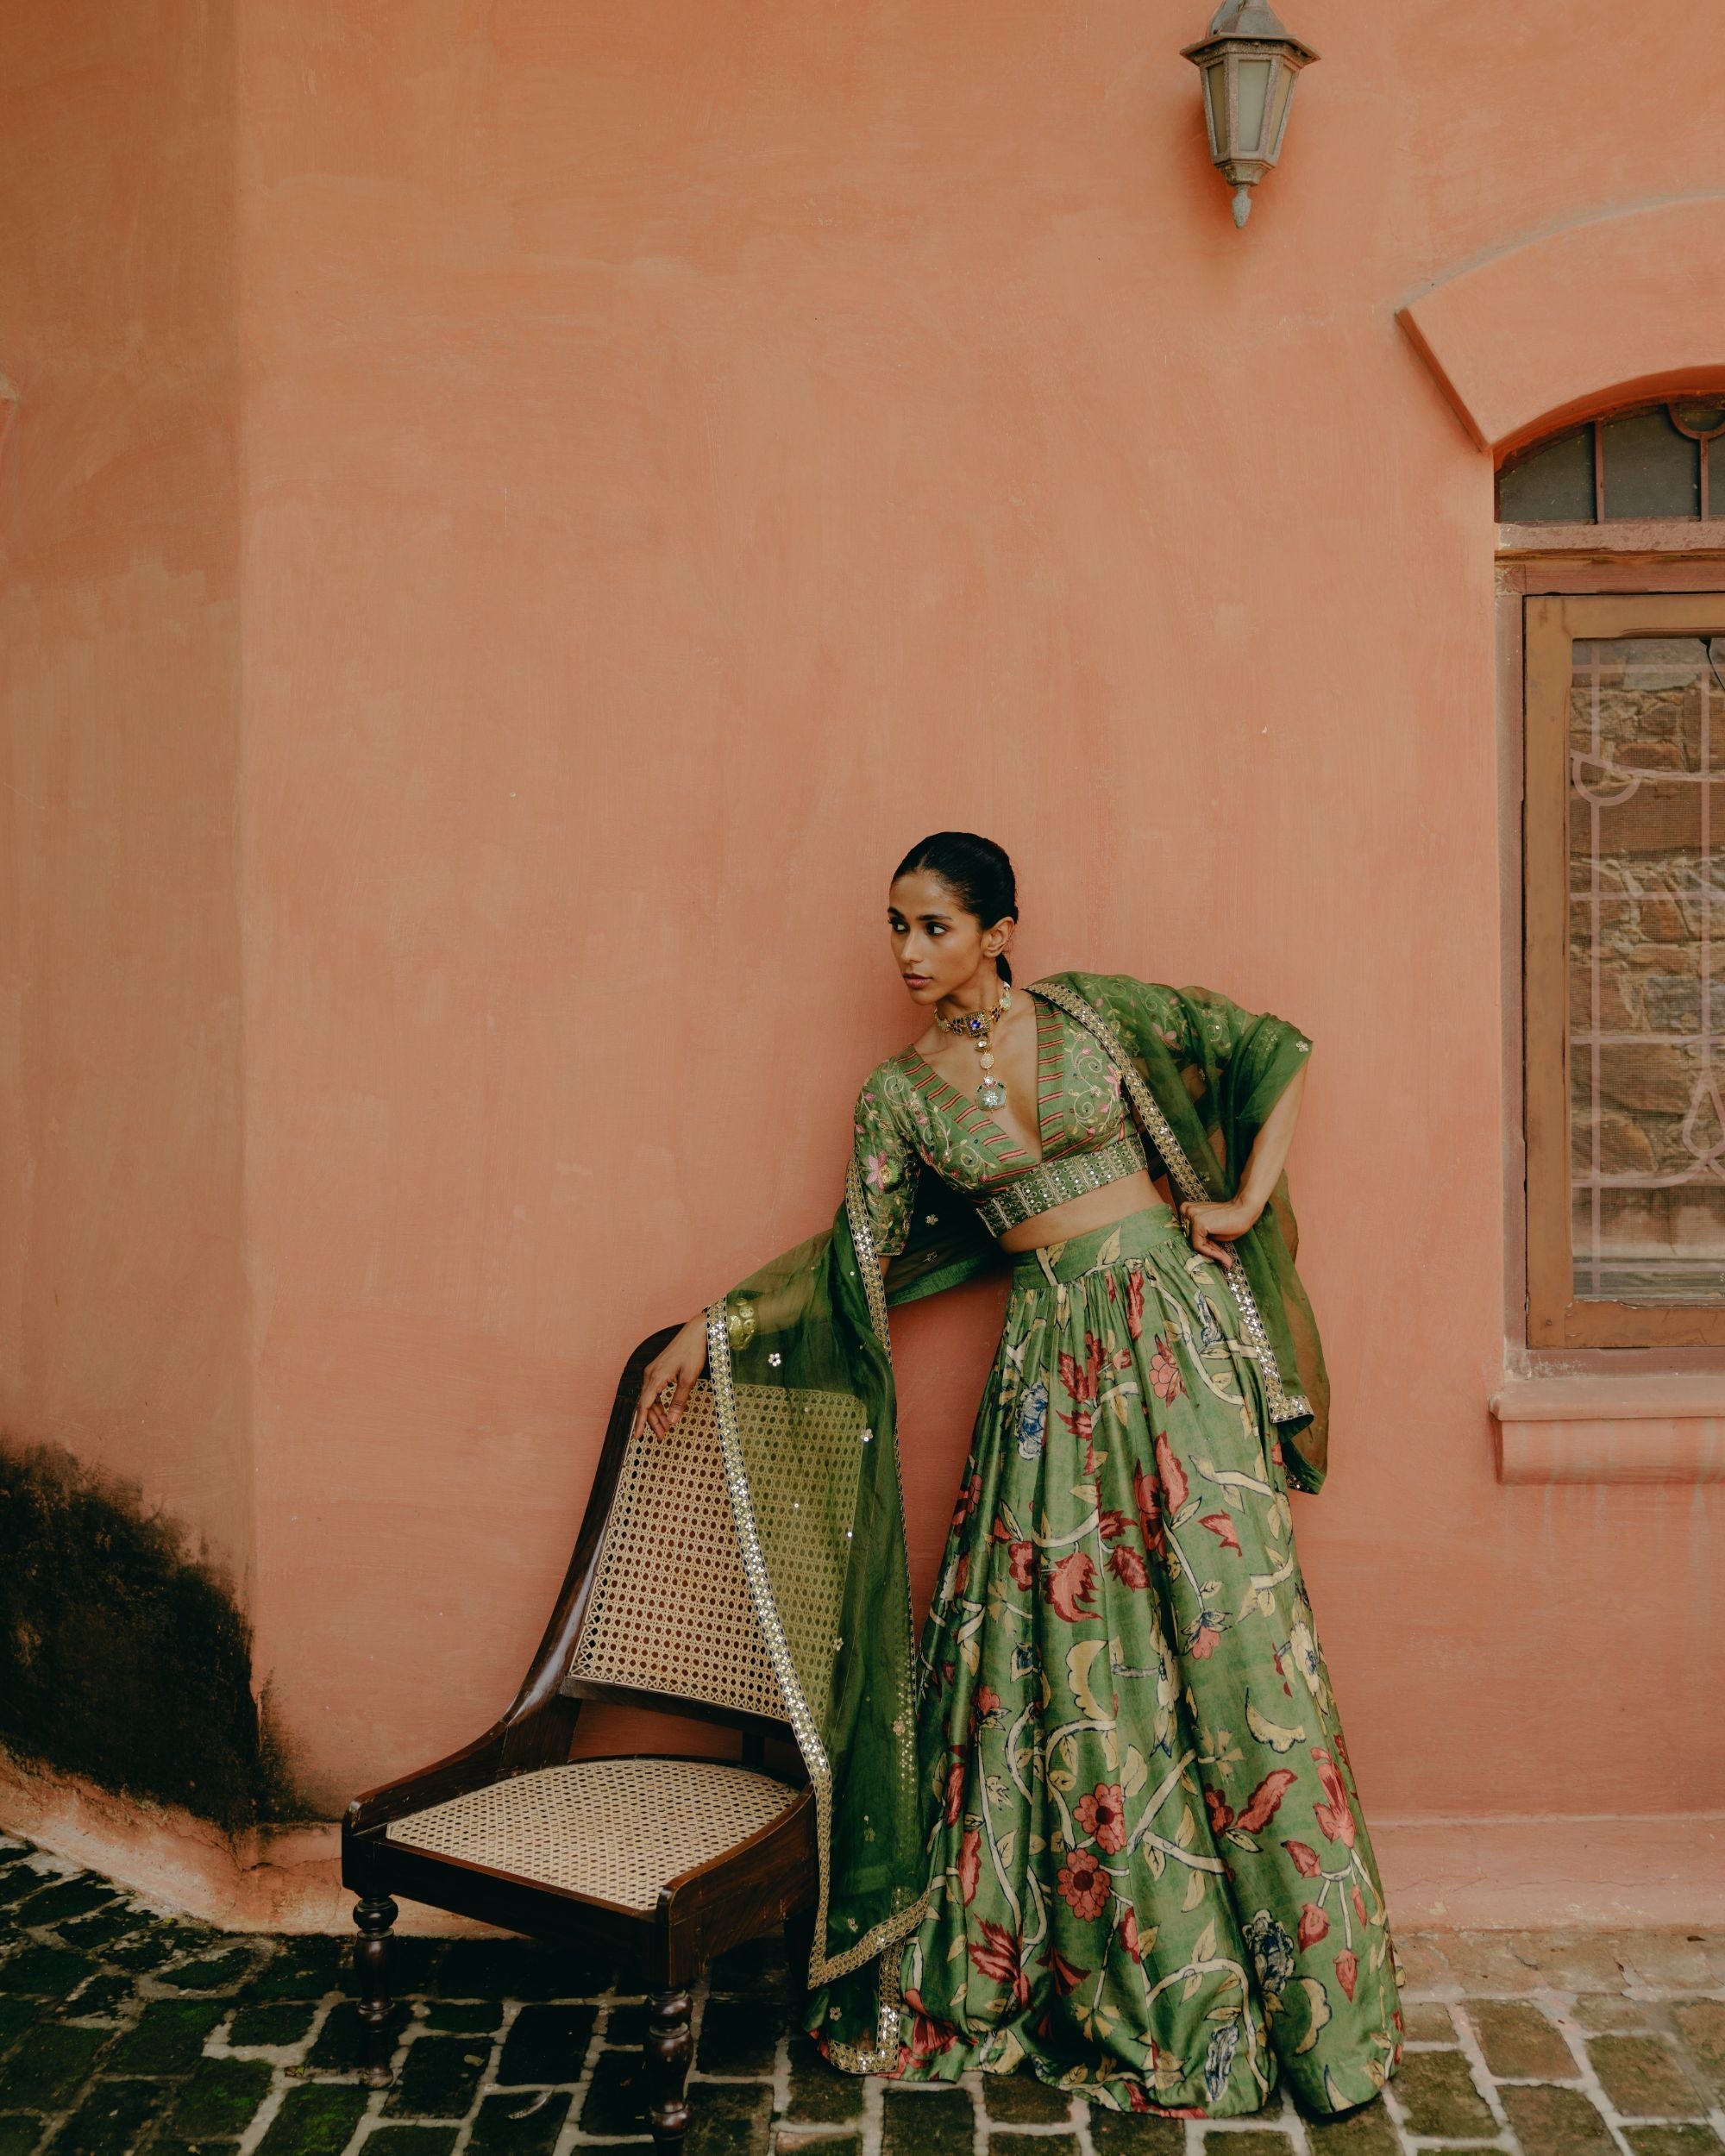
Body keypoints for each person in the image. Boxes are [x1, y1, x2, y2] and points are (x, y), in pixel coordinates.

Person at [633, 832, 1402, 2121]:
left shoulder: (1099, 1016)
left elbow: (1276, 1052)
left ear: (1000, 927)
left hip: (1176, 1339)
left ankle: (1315, 2010)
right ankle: (1140, 1976)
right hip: (1049, 1369)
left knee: (1239, 1646)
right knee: (1074, 1665)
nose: (909, 952)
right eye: (895, 927)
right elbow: (852, 1263)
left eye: (932, 926)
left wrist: (1235, 1206)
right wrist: (709, 1330)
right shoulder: (897, 1096)